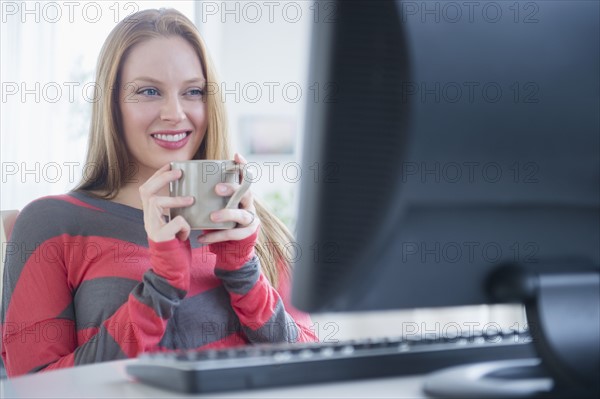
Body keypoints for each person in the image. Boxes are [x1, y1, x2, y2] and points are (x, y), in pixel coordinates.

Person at [1, 8, 317, 377]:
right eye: (149, 91)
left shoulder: (253, 225)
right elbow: (35, 387)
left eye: (193, 91)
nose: (174, 112)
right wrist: (160, 287)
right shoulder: (53, 222)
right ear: (112, 104)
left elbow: (316, 368)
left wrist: (244, 274)